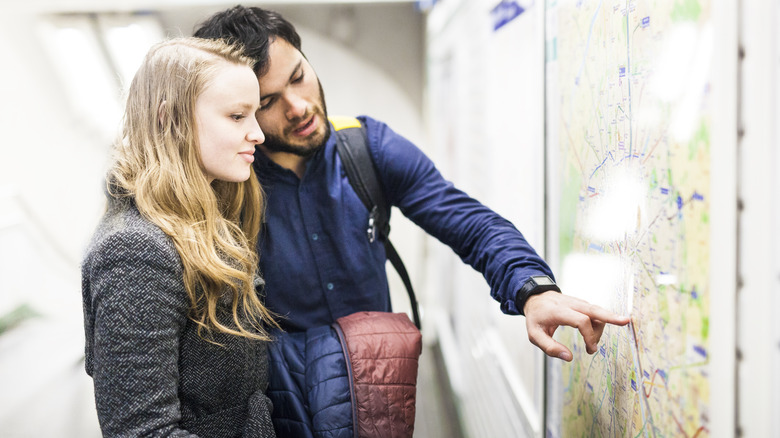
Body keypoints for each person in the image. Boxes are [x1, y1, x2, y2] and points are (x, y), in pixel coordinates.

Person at [193, 6, 629, 362]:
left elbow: (470, 223)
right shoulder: (222, 188)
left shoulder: (367, 148)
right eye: (268, 101)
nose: (299, 106)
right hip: (278, 408)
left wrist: (533, 289)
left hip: (376, 393)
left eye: (298, 76)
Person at [81, 37, 278, 437]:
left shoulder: (205, 219)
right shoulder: (134, 252)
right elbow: (142, 431)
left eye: (255, 114)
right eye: (237, 116)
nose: (257, 133)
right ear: (169, 118)